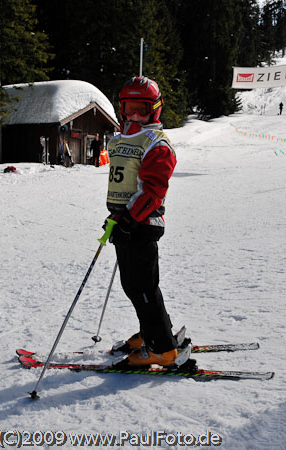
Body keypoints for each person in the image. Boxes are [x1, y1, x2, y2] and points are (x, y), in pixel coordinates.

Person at [105, 76, 178, 366]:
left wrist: (129, 220)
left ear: (156, 109)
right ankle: (153, 332)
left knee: (142, 287)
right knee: (135, 285)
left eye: (142, 109)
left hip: (141, 225)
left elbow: (153, 191)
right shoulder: (121, 139)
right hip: (124, 223)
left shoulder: (156, 144)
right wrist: (116, 217)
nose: (135, 115)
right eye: (130, 108)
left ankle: (162, 347)